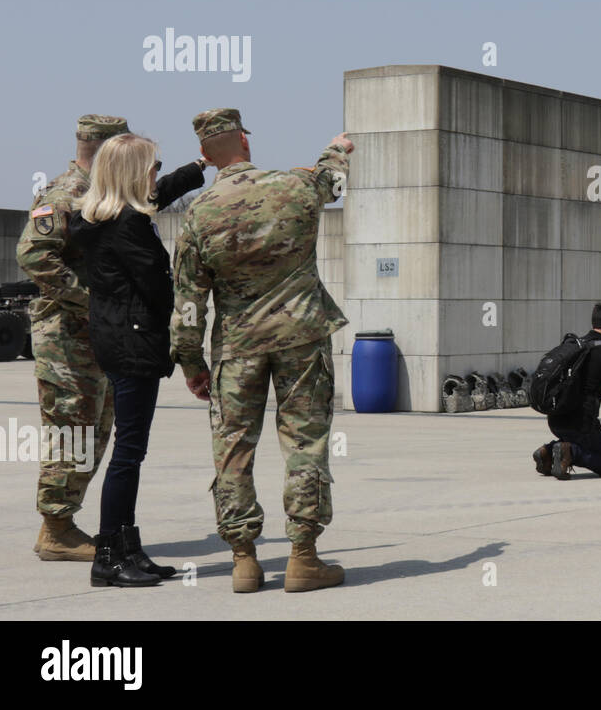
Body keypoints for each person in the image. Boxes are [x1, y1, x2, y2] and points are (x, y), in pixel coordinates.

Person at [169, 109, 353, 593]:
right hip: (303, 339)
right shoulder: (293, 187)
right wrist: (337, 148)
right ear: (246, 144)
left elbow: (188, 300)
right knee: (305, 444)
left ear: (206, 157)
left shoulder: (199, 212)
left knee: (232, 452)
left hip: (237, 348)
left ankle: (244, 561)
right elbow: (331, 181)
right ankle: (303, 557)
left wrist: (191, 362)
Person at [71, 134, 207, 586]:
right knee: (128, 455)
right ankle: (108, 556)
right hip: (133, 347)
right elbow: (158, 287)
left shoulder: (99, 216)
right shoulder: (129, 224)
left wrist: (197, 165)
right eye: (153, 165)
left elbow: (158, 193)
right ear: (133, 173)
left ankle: (128, 547)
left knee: (131, 452)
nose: (156, 173)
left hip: (115, 342)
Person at [17, 115, 129, 561]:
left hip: (90, 339)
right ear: (105, 149)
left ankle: (63, 521)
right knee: (72, 431)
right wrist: (90, 300)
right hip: (65, 340)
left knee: (94, 431)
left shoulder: (97, 194)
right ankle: (56, 528)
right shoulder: (67, 193)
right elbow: (32, 253)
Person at [533, 303, 601, 480]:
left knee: (588, 442)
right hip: (581, 424)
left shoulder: (576, 345)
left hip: (555, 418)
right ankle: (570, 452)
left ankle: (549, 451)